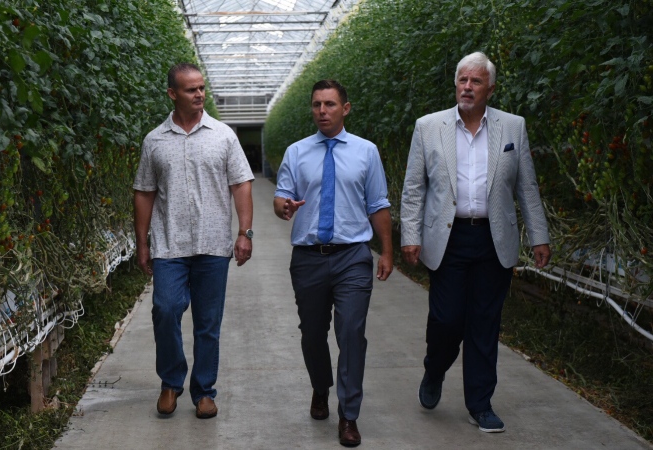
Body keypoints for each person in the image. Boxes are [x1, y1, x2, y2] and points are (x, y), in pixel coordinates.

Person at [400, 52, 551, 433]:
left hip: (492, 238)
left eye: (476, 82)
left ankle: (480, 404)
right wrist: (411, 236)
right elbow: (414, 188)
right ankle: (434, 370)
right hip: (448, 238)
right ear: (456, 84)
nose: (467, 87)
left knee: (485, 323)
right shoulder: (428, 127)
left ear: (491, 88)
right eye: (462, 80)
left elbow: (526, 186)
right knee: (447, 320)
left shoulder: (512, 127)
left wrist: (539, 236)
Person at [274, 79, 393, 447]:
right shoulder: (296, 152)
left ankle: (349, 415)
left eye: (329, 104)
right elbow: (281, 198)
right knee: (312, 334)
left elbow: (378, 204)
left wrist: (386, 251)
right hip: (309, 258)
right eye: (316, 105)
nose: (322, 111)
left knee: (351, 334)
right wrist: (285, 207)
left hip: (352, 257)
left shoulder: (366, 152)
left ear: (345, 108)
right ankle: (320, 387)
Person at [133, 63, 254, 419]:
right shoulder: (155, 140)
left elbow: (241, 184)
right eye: (190, 90)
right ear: (172, 94)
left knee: (207, 323)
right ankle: (171, 382)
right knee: (165, 309)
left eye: (202, 88)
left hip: (213, 246)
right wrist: (143, 244)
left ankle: (204, 391)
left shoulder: (223, 136)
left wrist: (244, 232)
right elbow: (144, 192)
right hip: (170, 245)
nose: (199, 94)